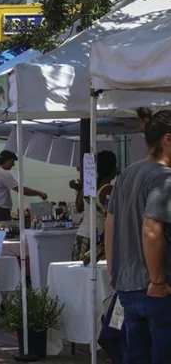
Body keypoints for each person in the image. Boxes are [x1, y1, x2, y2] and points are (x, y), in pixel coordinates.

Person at [105, 108, 171, 362]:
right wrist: (157, 280)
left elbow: (111, 224)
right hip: (154, 289)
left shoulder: (127, 174)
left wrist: (114, 271)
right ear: (167, 139)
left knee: (135, 354)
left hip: (128, 286)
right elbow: (152, 229)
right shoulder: (163, 178)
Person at [72, 151, 117, 263]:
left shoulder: (89, 185)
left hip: (81, 235)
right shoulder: (108, 190)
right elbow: (110, 219)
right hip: (97, 239)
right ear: (114, 170)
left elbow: (79, 207)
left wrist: (80, 189)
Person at [0, 150, 47, 224]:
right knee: (3, 234)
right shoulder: (3, 173)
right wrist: (40, 193)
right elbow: (21, 189)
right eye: (12, 161)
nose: (13, 165)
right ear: (7, 160)